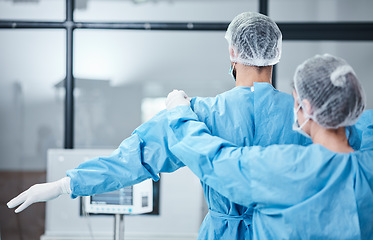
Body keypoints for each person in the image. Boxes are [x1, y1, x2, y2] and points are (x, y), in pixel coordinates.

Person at [164, 54, 373, 239]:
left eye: (296, 101)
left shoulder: (283, 167)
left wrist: (179, 114)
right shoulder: (368, 167)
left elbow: (214, 160)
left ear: (306, 107)